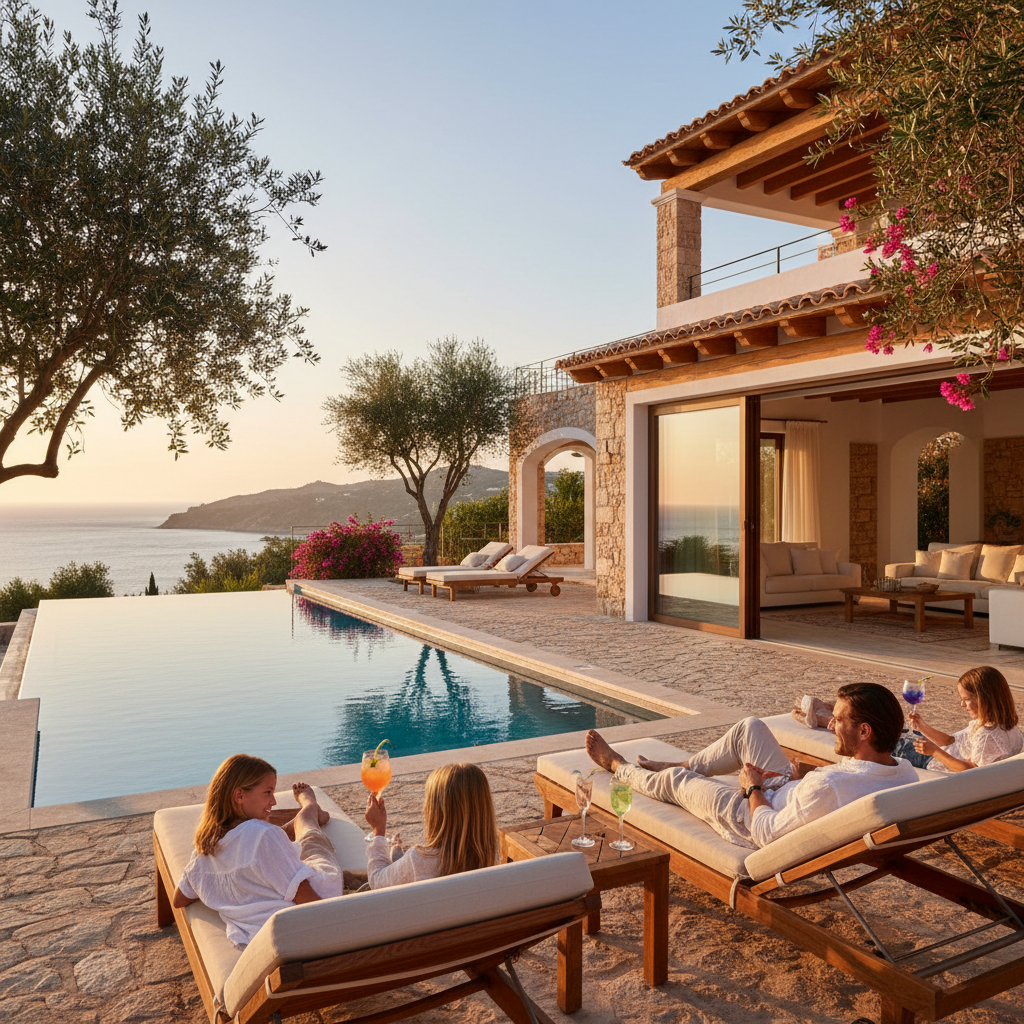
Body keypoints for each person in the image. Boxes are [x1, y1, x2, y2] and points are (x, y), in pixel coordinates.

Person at [585, 682, 918, 850]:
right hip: (790, 790)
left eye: (838, 719)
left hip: (751, 814)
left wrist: (753, 787)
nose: (829, 725)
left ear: (864, 731)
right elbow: (843, 786)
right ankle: (688, 762)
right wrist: (803, 777)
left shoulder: (829, 786)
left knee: (676, 781)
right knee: (750, 727)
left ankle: (618, 765)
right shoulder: (903, 771)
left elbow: (766, 833)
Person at [172, 754, 360, 947]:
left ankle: (299, 820)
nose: (273, 801)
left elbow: (179, 899)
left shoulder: (204, 849)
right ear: (239, 796)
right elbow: (307, 898)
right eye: (268, 792)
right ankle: (310, 807)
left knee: (285, 835)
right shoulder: (264, 837)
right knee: (311, 836)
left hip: (259, 929)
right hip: (319, 890)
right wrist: (343, 928)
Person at [792, 667, 1022, 773]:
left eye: (967, 699)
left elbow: (971, 772)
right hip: (938, 750)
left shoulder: (987, 736)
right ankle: (833, 713)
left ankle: (827, 719)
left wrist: (933, 752)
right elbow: (952, 740)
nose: (962, 705)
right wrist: (923, 727)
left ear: (986, 698)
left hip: (928, 760)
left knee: (878, 732)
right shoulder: (1005, 727)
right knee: (898, 728)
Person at [364, 762, 499, 889]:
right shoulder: (489, 857)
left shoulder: (419, 860)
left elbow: (377, 880)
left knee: (397, 855)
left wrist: (378, 830)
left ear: (436, 811)